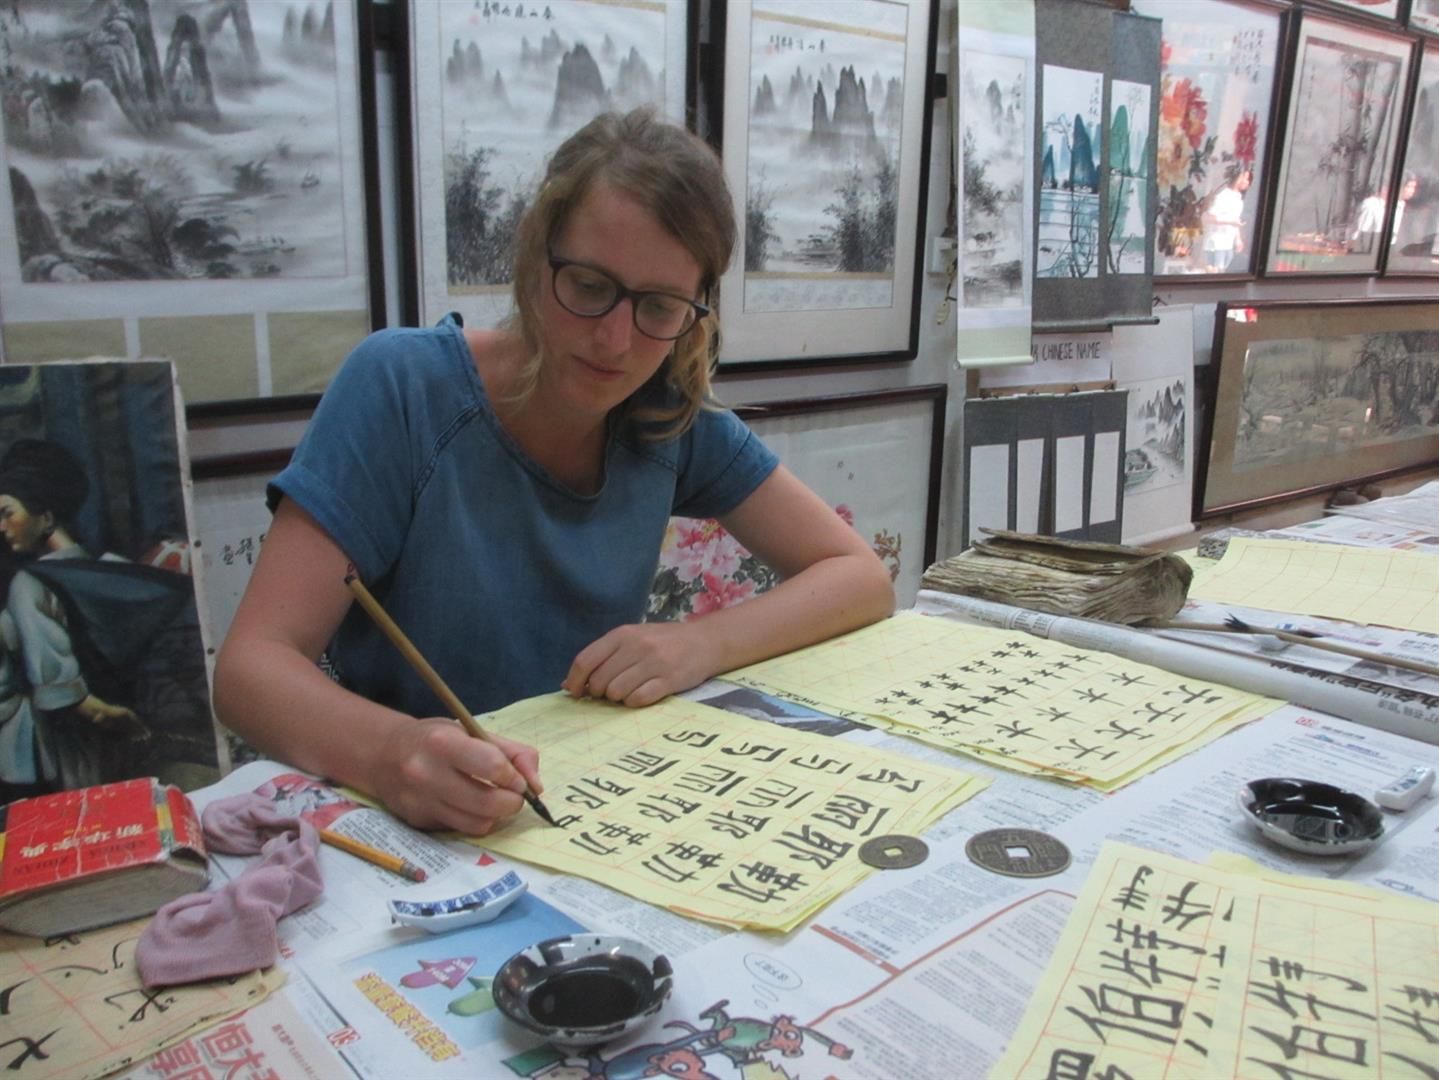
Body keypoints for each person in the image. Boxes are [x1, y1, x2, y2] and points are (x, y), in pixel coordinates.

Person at [213, 109, 896, 836]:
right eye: (590, 285)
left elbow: (858, 577)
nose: (614, 339)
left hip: (584, 808)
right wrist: (390, 752)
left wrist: (697, 643)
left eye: (659, 307)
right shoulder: (405, 388)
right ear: (535, 258)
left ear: (693, 313)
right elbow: (250, 669)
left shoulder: (664, 416)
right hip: (415, 819)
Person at [0, 439, 148, 797]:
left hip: (55, 742)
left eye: (7, 513)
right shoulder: (108, 570)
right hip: (103, 734)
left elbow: (64, 694)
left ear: (46, 516)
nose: (1, 527)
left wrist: (118, 718)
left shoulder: (29, 585)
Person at [1202, 168, 1251, 272]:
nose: (1247, 182)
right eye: (1245, 178)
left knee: (1223, 271)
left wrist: (1238, 239)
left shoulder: (1238, 198)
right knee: (1216, 273)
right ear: (1237, 178)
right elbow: (1209, 217)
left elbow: (1235, 219)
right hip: (1216, 243)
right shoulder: (1223, 196)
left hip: (1228, 243)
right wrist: (1230, 222)